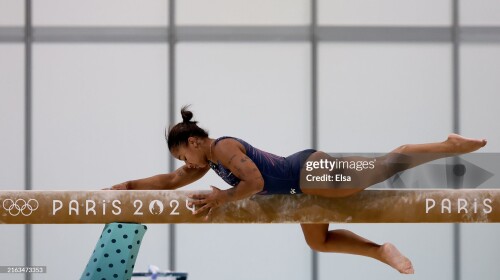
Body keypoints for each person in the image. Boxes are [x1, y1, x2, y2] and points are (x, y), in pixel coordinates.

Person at [106, 106, 488, 274]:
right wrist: (130, 186)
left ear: (193, 143)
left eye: (182, 156)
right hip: (300, 190)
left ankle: (449, 144)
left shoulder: (222, 148)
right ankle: (381, 250)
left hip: (307, 171)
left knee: (384, 168)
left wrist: (223, 197)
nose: (186, 167)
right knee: (318, 242)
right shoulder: (210, 162)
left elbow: (254, 182)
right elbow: (171, 182)